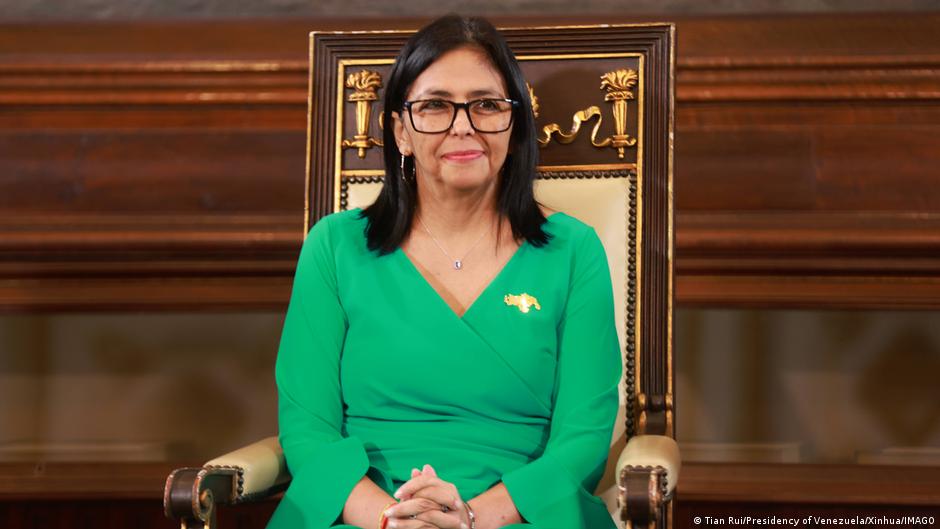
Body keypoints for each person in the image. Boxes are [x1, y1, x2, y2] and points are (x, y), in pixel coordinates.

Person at [266, 14, 621, 529]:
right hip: (363, 515)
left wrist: (470, 516)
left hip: (519, 515)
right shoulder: (333, 246)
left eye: (486, 105)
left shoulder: (574, 251)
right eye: (435, 105)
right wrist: (392, 518)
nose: (463, 125)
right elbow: (308, 429)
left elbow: (583, 437)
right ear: (401, 132)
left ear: (515, 126)